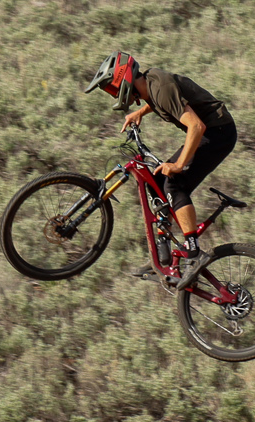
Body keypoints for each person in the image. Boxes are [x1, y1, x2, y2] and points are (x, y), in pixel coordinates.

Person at [83, 51, 237, 286]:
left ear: (123, 79)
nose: (113, 95)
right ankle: (163, 259)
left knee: (175, 184)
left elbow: (196, 126)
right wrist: (140, 111)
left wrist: (178, 164)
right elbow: (165, 101)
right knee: (157, 184)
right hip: (211, 131)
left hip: (218, 133)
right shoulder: (150, 83)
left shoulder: (160, 88)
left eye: (112, 89)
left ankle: (194, 256)